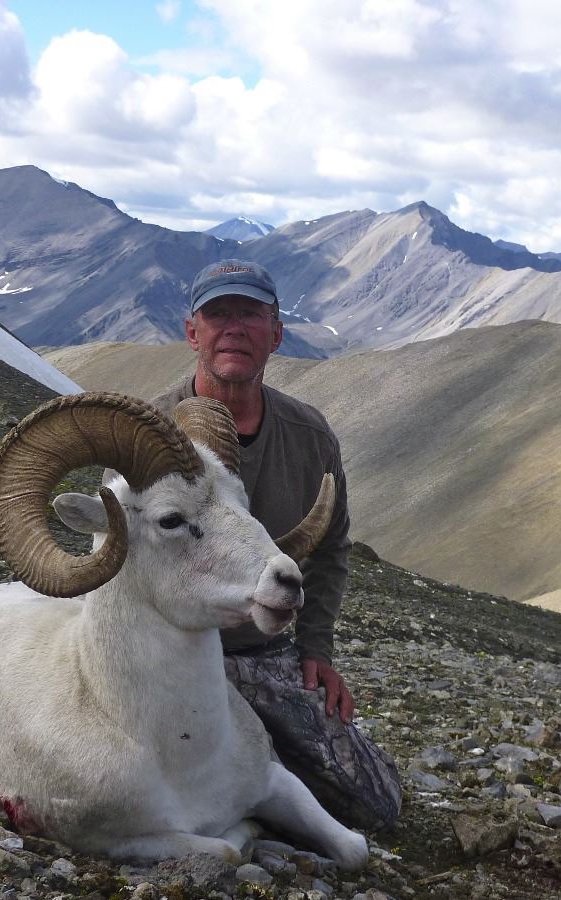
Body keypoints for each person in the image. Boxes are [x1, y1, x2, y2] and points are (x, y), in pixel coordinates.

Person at [152, 259, 401, 832]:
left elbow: (330, 548)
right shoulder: (146, 432)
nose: (233, 328)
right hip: (171, 655)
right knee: (161, 795)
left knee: (376, 806)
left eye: (250, 315)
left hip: (263, 651)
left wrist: (317, 651)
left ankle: (264, 769)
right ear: (192, 332)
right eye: (218, 314)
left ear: (276, 334)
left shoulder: (309, 436)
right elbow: (118, 551)